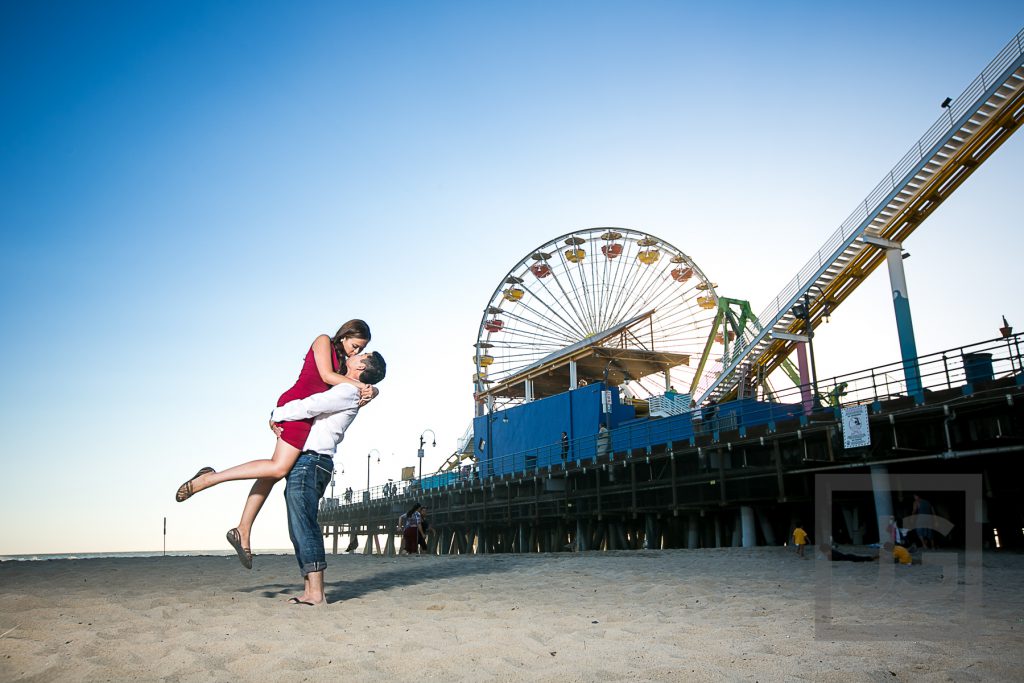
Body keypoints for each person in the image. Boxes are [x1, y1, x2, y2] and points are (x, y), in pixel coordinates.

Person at [174, 320, 378, 569]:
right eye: (355, 346)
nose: (355, 352)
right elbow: (325, 375)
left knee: (271, 473)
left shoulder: (346, 371)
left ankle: (243, 530)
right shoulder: (323, 340)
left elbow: (350, 392)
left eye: (360, 350)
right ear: (346, 335)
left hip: (305, 413)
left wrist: (372, 389)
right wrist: (363, 386)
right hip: (297, 406)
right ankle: (209, 478)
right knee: (278, 468)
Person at [272, 351, 386, 605]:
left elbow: (310, 406)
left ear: (361, 366)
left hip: (311, 462)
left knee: (304, 524)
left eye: (362, 354)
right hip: (312, 463)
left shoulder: (346, 391)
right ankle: (310, 589)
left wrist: (277, 412)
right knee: (299, 524)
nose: (355, 354)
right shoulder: (349, 390)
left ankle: (316, 593)